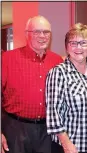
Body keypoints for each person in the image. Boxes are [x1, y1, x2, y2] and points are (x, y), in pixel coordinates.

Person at [45, 23, 87, 153]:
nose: (78, 47)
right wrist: (66, 144)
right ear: (66, 47)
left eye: (83, 42)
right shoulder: (58, 72)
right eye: (73, 43)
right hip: (72, 147)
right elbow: (53, 115)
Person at [1, 15, 63, 153]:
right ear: (27, 34)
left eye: (46, 32)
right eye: (36, 32)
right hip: (15, 129)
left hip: (47, 131)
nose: (42, 36)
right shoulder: (7, 59)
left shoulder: (57, 61)